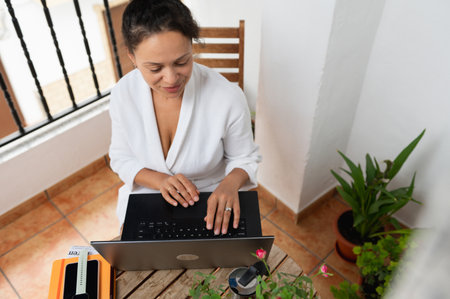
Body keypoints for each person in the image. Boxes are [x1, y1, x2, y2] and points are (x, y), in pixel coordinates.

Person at [109, 0, 261, 236]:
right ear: (132, 57)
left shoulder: (227, 97)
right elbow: (120, 158)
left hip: (211, 196)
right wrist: (159, 181)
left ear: (191, 47)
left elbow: (244, 157)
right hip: (148, 194)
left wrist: (230, 184)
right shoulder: (123, 94)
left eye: (182, 62)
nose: (171, 79)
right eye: (155, 68)